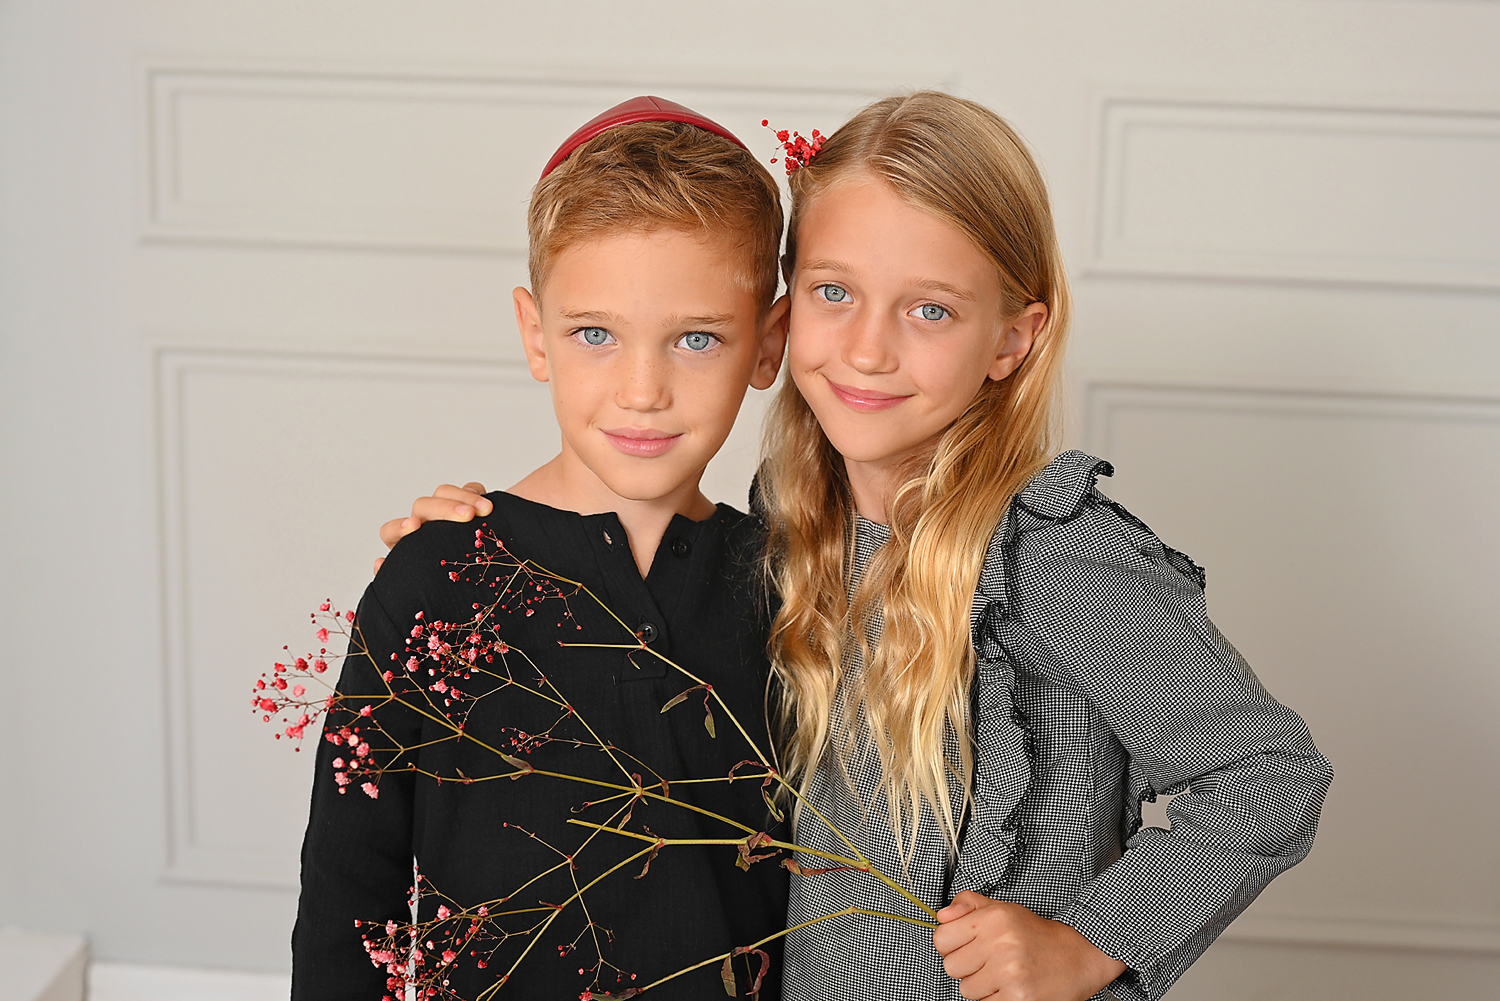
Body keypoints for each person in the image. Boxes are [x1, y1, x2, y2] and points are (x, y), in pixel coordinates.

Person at [381, 91, 1333, 1001]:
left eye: (930, 310)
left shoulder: (1045, 554)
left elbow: (1269, 772)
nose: (869, 350)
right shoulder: (788, 535)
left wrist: (1091, 941)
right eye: (836, 291)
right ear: (784, 316)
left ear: (1012, 338)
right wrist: (495, 537)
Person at [293, 97, 792, 1001]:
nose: (642, 389)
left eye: (696, 338)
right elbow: (348, 890)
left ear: (768, 344)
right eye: (595, 334)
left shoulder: (790, 584)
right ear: (535, 334)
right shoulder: (438, 580)